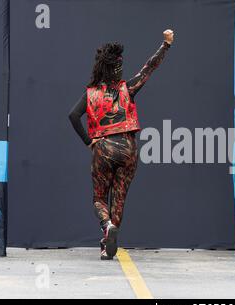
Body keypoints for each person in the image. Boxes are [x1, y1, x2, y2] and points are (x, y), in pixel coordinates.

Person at [69, 29, 174, 260]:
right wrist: (166, 45)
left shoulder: (91, 95)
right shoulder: (128, 89)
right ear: (117, 68)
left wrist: (89, 142)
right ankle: (108, 244)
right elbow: (148, 69)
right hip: (128, 148)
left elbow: (73, 116)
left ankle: (106, 226)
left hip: (103, 148)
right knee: (119, 198)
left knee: (99, 198)